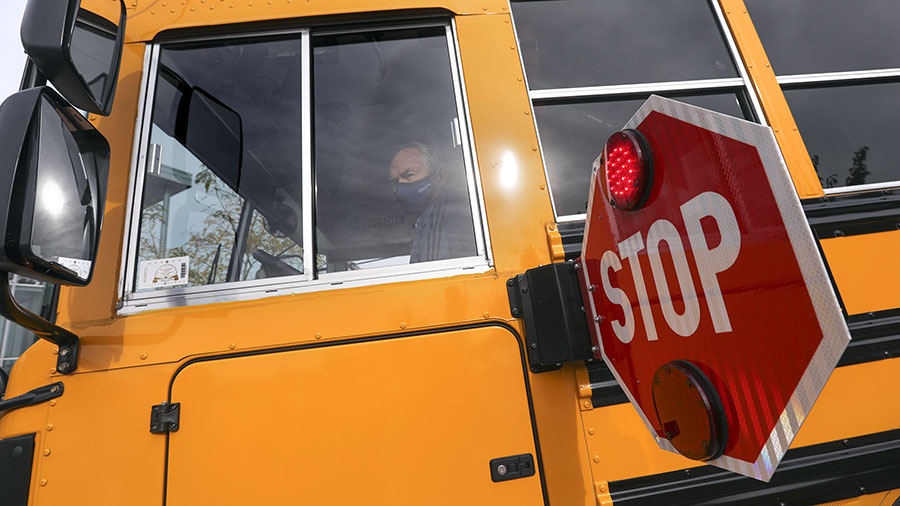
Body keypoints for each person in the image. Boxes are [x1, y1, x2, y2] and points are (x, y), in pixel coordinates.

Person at [388, 142, 477, 263]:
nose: (400, 186)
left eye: (409, 175)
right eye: (395, 182)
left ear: (439, 177)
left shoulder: (456, 217)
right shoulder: (424, 223)